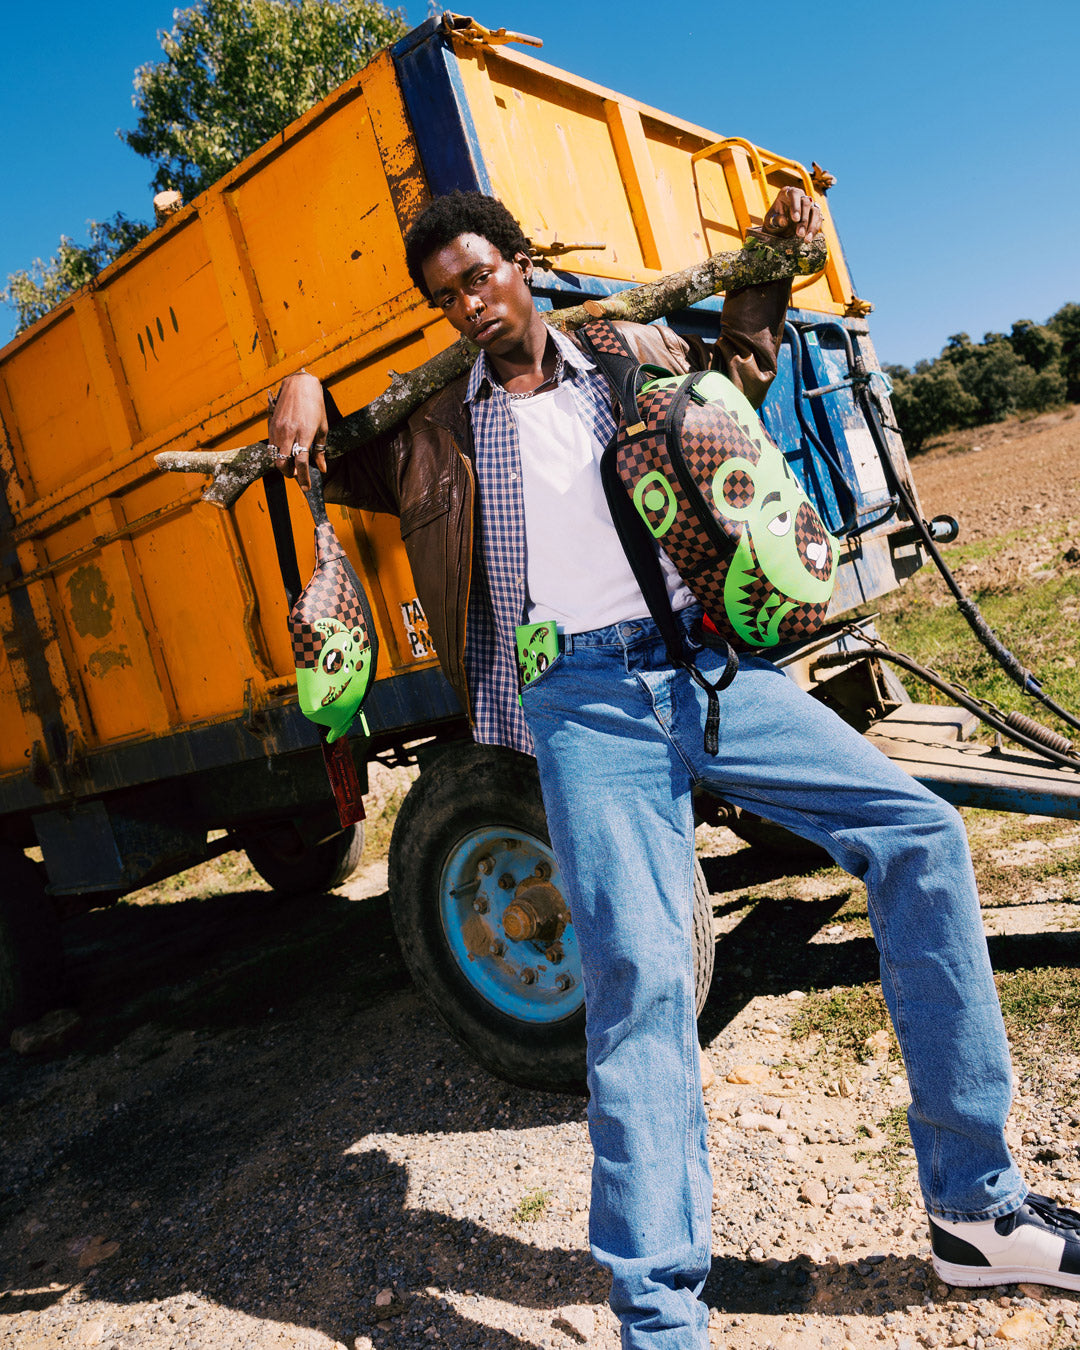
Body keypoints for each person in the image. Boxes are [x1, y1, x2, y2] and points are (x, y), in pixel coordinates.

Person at [268, 189, 1080, 1348]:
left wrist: (779, 267)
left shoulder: (627, 351)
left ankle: (977, 1210)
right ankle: (660, 1319)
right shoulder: (434, 424)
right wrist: (301, 387)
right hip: (581, 707)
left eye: (480, 275)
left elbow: (740, 372)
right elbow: (325, 455)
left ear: (519, 262)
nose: (470, 302)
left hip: (702, 669)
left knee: (921, 834)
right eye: (446, 294)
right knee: (641, 983)